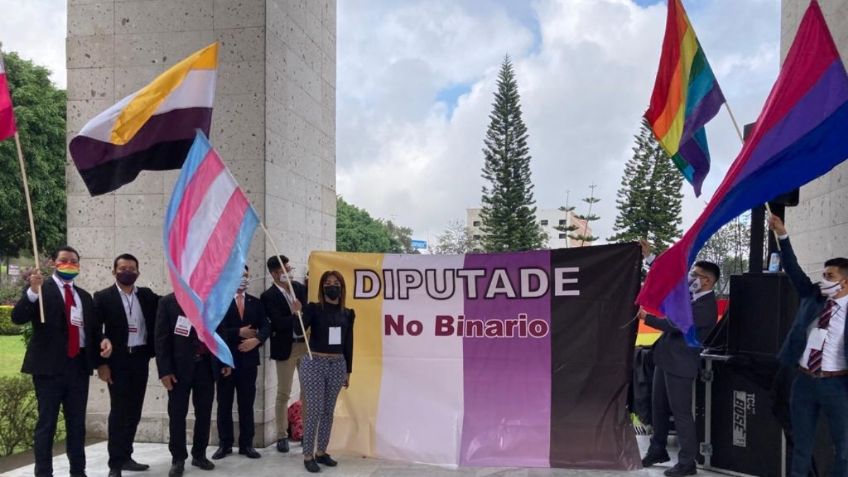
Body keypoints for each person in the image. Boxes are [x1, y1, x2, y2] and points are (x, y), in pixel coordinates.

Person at [11, 245, 113, 477]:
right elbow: (18, 317)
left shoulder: (84, 297)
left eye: (74, 261)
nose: (69, 264)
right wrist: (32, 292)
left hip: (78, 368)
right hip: (49, 369)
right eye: (64, 260)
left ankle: (78, 471)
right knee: (46, 424)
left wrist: (104, 341)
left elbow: (94, 331)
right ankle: (44, 473)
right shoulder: (41, 290)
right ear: (53, 263)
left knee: (77, 425)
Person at [768, 215, 848, 476]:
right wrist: (782, 235)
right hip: (803, 382)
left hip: (837, 385)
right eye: (823, 274)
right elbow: (792, 268)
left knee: (844, 449)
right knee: (800, 446)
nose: (823, 279)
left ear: (844, 282)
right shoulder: (812, 295)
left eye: (829, 275)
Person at [640, 243, 718, 477]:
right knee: (658, 409)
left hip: (681, 366)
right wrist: (651, 258)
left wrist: (647, 317)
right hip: (665, 359)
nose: (690, 277)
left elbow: (676, 326)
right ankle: (657, 449)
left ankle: (687, 462)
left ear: (707, 281)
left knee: (681, 413)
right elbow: (672, 284)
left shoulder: (706, 308)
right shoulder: (692, 296)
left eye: (695, 274)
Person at [94, 254, 161, 477]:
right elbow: (96, 331)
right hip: (117, 361)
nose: (127, 272)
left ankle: (126, 456)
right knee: (119, 411)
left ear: (138, 272)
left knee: (134, 410)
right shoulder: (103, 297)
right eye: (123, 268)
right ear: (114, 271)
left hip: (140, 358)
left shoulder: (147, 296)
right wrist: (102, 363)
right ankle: (115, 463)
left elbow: (170, 303)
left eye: (132, 268)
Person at [155, 293, 231, 477]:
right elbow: (161, 338)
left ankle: (199, 454)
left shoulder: (212, 300)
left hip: (206, 366)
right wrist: (164, 371)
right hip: (178, 370)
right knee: (177, 414)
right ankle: (178, 458)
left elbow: (221, 332)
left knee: (204, 413)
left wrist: (225, 360)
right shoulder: (168, 302)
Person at [299, 270, 355, 473]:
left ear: (341, 287)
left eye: (336, 282)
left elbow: (349, 343)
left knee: (328, 411)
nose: (332, 286)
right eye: (328, 283)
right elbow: (298, 331)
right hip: (314, 362)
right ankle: (307, 454)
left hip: (337, 364)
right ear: (322, 287)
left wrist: (348, 370)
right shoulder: (313, 309)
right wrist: (298, 313)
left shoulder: (348, 313)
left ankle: (321, 451)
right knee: (314, 410)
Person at [212, 267, 269, 460]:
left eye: (245, 275)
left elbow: (266, 326)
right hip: (226, 362)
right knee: (224, 404)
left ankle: (247, 444)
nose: (242, 279)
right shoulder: (219, 301)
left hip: (249, 362)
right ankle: (225, 444)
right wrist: (238, 332)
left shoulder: (256, 302)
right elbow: (214, 330)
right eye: (238, 274)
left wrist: (257, 339)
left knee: (247, 404)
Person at [260, 255, 307, 452]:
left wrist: (302, 311)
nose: (288, 272)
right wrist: (295, 314)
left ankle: (305, 430)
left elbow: (309, 313)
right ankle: (281, 435)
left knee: (307, 391)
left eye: (289, 268)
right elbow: (277, 323)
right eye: (284, 270)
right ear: (274, 273)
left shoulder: (299, 288)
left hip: (304, 346)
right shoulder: (268, 297)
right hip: (285, 348)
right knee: (283, 392)